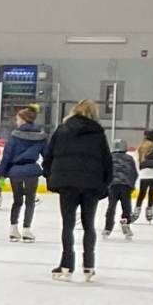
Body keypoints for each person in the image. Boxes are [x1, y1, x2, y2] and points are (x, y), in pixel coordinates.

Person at [44, 98, 113, 281]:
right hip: (91, 184)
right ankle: (89, 264)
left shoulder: (62, 130)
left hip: (66, 183)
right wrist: (105, 184)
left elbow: (49, 156)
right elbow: (107, 160)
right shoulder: (98, 133)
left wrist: (50, 176)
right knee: (88, 224)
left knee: (67, 224)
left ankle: (67, 264)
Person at [0, 104, 49, 242]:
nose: (16, 121)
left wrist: (0, 174)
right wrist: (48, 172)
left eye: (17, 119)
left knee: (17, 201)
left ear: (23, 119)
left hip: (16, 172)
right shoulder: (41, 136)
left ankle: (13, 229)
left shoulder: (15, 136)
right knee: (30, 201)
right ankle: (26, 230)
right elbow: (47, 156)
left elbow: (7, 157)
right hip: (32, 171)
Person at [105, 135, 139, 239]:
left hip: (113, 185)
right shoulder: (129, 158)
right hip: (126, 185)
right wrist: (131, 185)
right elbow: (134, 173)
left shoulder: (109, 157)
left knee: (111, 206)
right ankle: (126, 221)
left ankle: (108, 227)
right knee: (126, 205)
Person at [135, 128, 153, 219]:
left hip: (145, 173)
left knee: (142, 192)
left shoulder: (141, 147)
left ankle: (136, 211)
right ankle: (149, 211)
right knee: (152, 192)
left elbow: (135, 160)